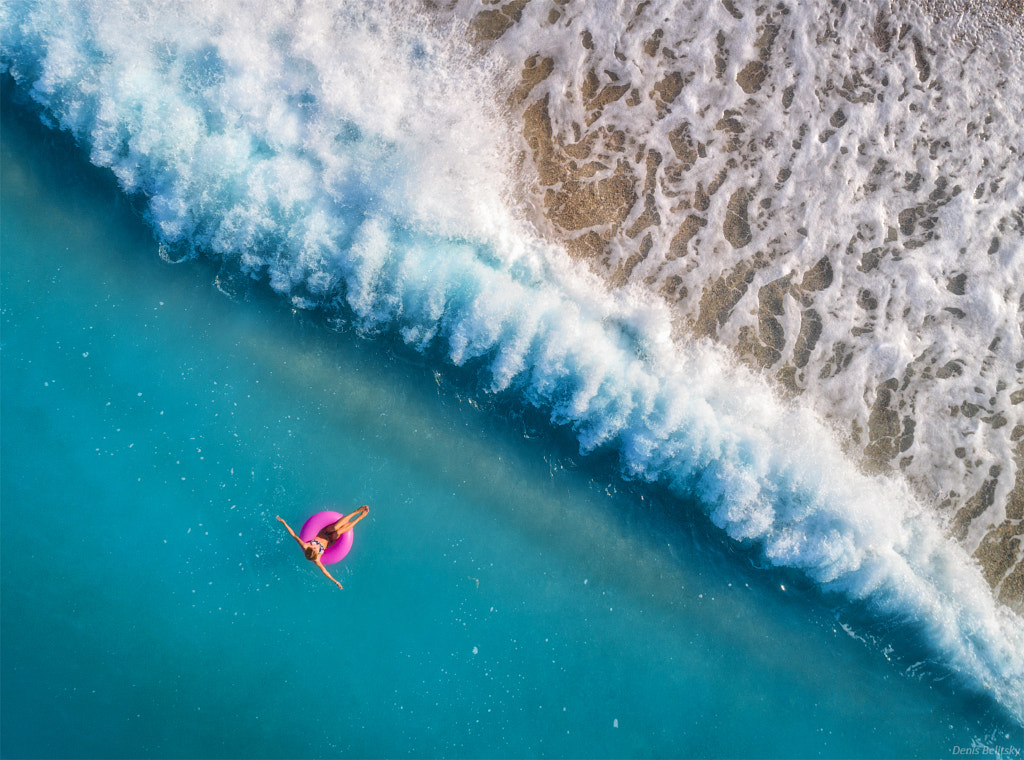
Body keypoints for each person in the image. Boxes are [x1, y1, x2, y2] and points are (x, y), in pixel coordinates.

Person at [276, 505, 369, 590]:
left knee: (335, 527)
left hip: (325, 531)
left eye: (313, 548)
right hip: (331, 540)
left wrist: (284, 522)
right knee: (337, 532)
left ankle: (356, 511)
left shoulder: (305, 545)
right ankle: (360, 518)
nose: (315, 548)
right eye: (316, 550)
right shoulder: (317, 559)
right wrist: (336, 582)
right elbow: (325, 572)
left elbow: (293, 535)